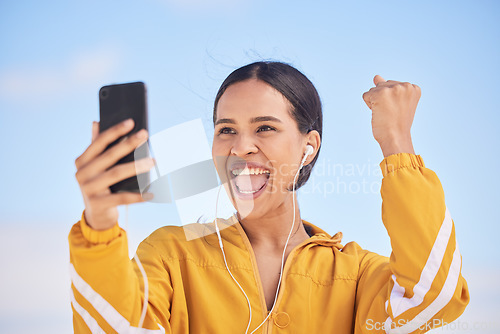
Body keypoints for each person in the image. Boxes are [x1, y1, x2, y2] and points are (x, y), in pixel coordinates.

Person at [70, 61, 469, 333]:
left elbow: (435, 296)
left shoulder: (357, 275)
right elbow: (113, 326)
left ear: (308, 147)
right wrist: (100, 225)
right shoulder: (172, 255)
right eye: (226, 129)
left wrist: (395, 142)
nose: (241, 146)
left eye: (264, 128)